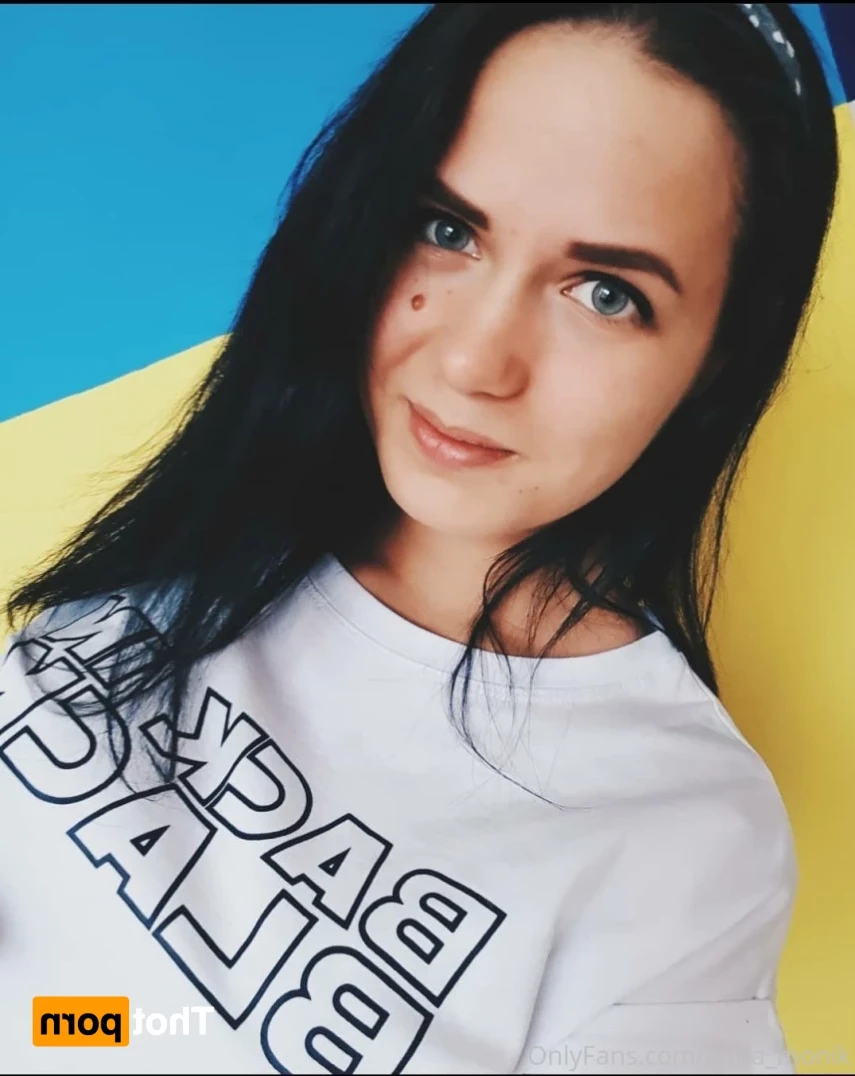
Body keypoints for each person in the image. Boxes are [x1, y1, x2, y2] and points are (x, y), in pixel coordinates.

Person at [0, 3, 839, 1074]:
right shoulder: (210, 519)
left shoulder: (680, 840)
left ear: (718, 356)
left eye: (604, 293)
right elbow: (69, 1016)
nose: (475, 361)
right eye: (448, 229)